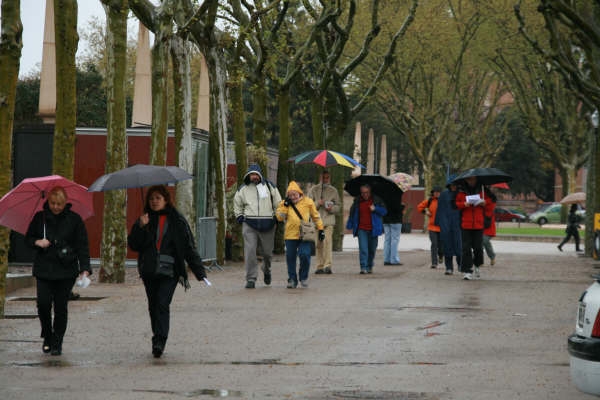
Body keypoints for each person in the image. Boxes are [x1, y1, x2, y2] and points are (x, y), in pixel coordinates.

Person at [128, 185, 207, 358]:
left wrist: (199, 271)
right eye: (151, 199)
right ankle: (157, 335)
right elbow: (133, 244)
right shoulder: (145, 220)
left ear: (165, 199)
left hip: (170, 271)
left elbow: (187, 246)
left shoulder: (176, 220)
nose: (154, 201)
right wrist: (140, 226)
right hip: (149, 270)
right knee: (153, 306)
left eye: (158, 198)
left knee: (162, 304)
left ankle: (160, 341)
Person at [25, 186, 91, 356]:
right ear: (48, 201)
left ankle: (57, 341)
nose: (55, 207)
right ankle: (47, 335)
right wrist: (37, 242)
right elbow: (28, 238)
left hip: (66, 270)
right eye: (53, 203)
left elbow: (82, 246)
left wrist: (85, 268)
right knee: (43, 304)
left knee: (61, 307)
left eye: (59, 204)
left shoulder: (75, 220)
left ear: (65, 203)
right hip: (44, 269)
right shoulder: (40, 218)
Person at [233, 164, 282, 289]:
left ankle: (267, 270)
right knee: (250, 252)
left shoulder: (270, 187)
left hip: (268, 224)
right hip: (250, 224)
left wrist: (278, 216)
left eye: (256, 174)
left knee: (267, 253)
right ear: (248, 175)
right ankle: (251, 278)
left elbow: (279, 203)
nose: (254, 177)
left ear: (260, 175)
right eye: (252, 174)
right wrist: (239, 215)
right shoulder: (243, 189)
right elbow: (237, 203)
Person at [276, 181, 324, 288]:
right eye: (290, 195)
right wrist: (285, 206)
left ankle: (303, 277)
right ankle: (292, 279)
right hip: (290, 235)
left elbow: (316, 216)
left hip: (305, 235)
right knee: (290, 257)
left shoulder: (308, 202)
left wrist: (321, 229)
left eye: (294, 194)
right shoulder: (284, 203)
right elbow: (279, 218)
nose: (292, 197)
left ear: (299, 193)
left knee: (305, 255)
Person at [346, 184, 387, 274]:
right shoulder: (357, 201)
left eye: (366, 192)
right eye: (363, 193)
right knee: (363, 249)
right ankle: (363, 267)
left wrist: (375, 209)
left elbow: (384, 212)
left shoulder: (376, 200)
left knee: (372, 249)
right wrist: (349, 225)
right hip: (361, 229)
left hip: (374, 229)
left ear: (370, 192)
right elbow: (352, 213)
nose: (365, 195)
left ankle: (369, 266)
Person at [455, 176, 490, 280]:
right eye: (469, 179)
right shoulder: (461, 191)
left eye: (473, 179)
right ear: (466, 180)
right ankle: (467, 270)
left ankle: (477, 264)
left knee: (478, 248)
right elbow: (455, 204)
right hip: (466, 224)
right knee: (466, 248)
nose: (472, 181)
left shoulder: (483, 190)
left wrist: (485, 203)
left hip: (478, 224)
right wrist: (464, 204)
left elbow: (490, 204)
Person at [307, 170, 340, 274]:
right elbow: (308, 205)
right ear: (320, 178)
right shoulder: (313, 190)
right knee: (318, 244)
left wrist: (331, 208)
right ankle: (319, 265)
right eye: (323, 177)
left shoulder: (333, 191)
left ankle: (327, 265)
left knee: (327, 242)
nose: (325, 179)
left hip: (328, 221)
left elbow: (338, 206)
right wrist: (318, 203)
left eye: (327, 177)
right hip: (317, 221)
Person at [436, 176, 462, 275]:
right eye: (452, 185)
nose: (454, 187)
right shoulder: (443, 195)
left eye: (455, 185)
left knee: (459, 246)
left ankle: (460, 265)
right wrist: (440, 222)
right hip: (446, 223)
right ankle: (449, 267)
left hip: (458, 223)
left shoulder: (461, 194)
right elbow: (440, 209)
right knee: (447, 246)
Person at [417, 186, 443, 268]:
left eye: (438, 192)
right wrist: (426, 212)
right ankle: (434, 263)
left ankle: (441, 255)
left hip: (442, 227)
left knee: (442, 246)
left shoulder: (444, 201)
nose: (437, 193)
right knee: (434, 244)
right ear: (433, 193)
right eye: (435, 192)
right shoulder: (430, 200)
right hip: (432, 227)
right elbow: (419, 207)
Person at [382, 195, 404, 266]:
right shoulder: (396, 195)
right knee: (395, 240)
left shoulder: (383, 195)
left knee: (387, 240)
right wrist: (402, 206)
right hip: (395, 220)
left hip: (385, 220)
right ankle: (394, 259)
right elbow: (396, 208)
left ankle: (386, 259)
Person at [482, 186, 497, 265]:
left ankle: (492, 256)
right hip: (479, 223)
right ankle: (479, 260)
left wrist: (484, 203)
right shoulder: (481, 195)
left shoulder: (491, 199)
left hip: (488, 224)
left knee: (484, 240)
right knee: (479, 243)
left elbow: (489, 209)